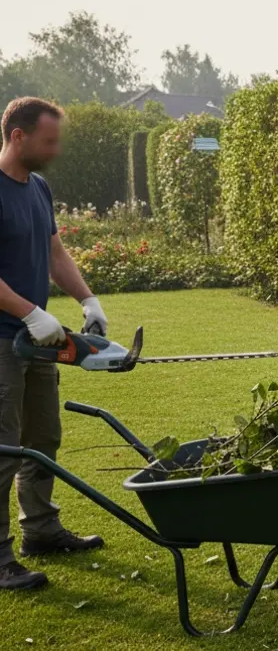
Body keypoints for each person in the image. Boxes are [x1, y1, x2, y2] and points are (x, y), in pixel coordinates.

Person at [0, 97, 108, 590]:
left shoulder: (38, 187)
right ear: (18, 136)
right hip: (4, 341)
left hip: (37, 340)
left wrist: (87, 300)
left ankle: (40, 531)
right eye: (49, 140)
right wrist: (30, 311)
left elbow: (54, 251)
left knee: (42, 440)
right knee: (3, 449)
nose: (56, 149)